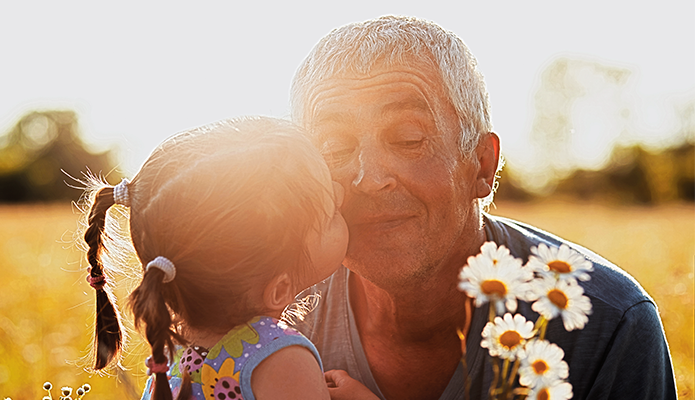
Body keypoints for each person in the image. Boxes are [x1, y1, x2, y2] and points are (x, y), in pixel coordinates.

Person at [290, 15, 677, 400]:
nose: (370, 178)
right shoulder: (269, 308)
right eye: (335, 148)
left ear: (482, 164)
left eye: (408, 139)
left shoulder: (610, 325)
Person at [80, 117, 378, 400]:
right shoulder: (281, 358)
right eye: (329, 212)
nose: (340, 193)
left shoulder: (172, 353)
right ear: (279, 290)